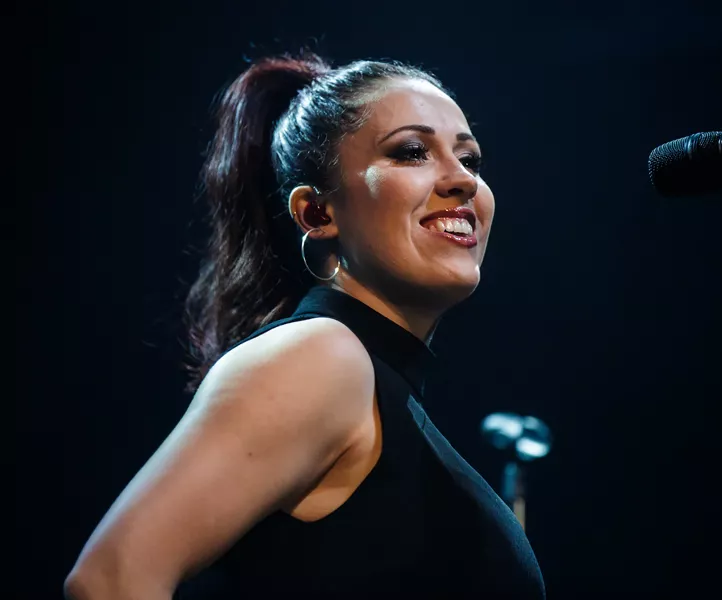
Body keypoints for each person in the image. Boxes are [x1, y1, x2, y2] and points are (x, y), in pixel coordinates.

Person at [64, 51, 545, 599]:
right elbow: (110, 579)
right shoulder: (322, 355)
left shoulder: (374, 390)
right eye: (412, 151)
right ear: (317, 213)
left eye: (470, 159)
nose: (462, 180)